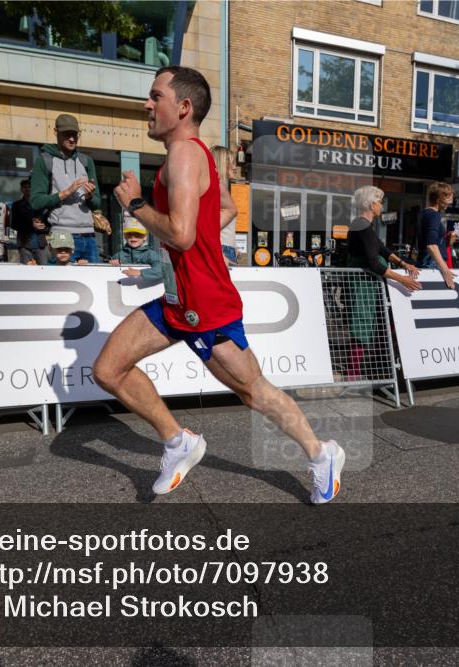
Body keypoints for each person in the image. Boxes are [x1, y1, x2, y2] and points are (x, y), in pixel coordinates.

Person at [94, 66, 346, 504]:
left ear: (183, 107)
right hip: (178, 300)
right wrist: (196, 244)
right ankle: (178, 442)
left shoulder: (185, 155)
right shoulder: (196, 155)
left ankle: (321, 453)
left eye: (156, 96)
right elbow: (225, 208)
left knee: (255, 393)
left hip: (207, 306)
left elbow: (182, 234)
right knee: (108, 370)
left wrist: (135, 204)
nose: (147, 105)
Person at [346, 185, 421, 380]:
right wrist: (403, 279)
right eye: (380, 202)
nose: (382, 206)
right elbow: (374, 262)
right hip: (364, 284)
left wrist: (403, 263)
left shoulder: (363, 225)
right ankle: (353, 373)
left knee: (377, 322)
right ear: (372, 205)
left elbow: (382, 249)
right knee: (362, 325)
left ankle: (372, 368)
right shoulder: (362, 226)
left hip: (368, 283)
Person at [29, 114, 102, 264]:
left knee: (94, 283)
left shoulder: (86, 161)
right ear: (56, 132)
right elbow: (35, 201)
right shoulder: (44, 161)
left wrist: (90, 196)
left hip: (89, 235)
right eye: (67, 134)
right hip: (61, 235)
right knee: (60, 285)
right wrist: (67, 192)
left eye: (75, 134)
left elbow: (97, 203)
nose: (72, 139)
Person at [415, 182, 456, 288]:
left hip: (426, 261)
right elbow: (431, 245)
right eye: (448, 199)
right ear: (438, 199)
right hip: (432, 263)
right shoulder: (434, 215)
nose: (451, 202)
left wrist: (447, 239)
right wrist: (445, 269)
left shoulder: (424, 213)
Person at [11, 179, 50, 264]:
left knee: (44, 271)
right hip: (24, 244)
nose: (27, 189)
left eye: (29, 187)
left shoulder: (41, 204)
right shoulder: (17, 205)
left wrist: (44, 227)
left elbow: (49, 223)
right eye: (25, 187)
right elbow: (14, 224)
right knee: (26, 272)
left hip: (41, 244)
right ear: (21, 189)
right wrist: (31, 224)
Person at [211, 145, 238, 265]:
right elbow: (208, 227)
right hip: (221, 250)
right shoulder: (215, 189)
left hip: (225, 249)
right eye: (232, 163)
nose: (235, 167)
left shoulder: (221, 189)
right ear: (223, 164)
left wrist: (233, 246)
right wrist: (220, 254)